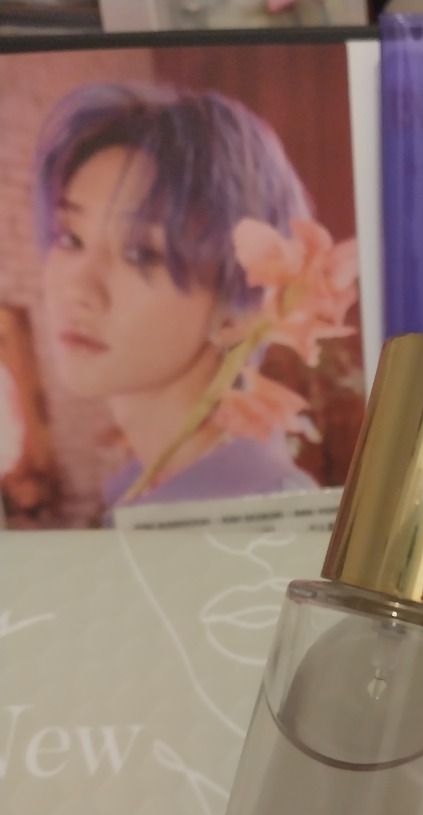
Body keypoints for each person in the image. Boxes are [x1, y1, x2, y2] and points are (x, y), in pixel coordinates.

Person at [33, 81, 318, 517]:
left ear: (240, 307)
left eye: (140, 253)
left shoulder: (269, 515)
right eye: (70, 238)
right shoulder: (141, 495)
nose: (78, 289)